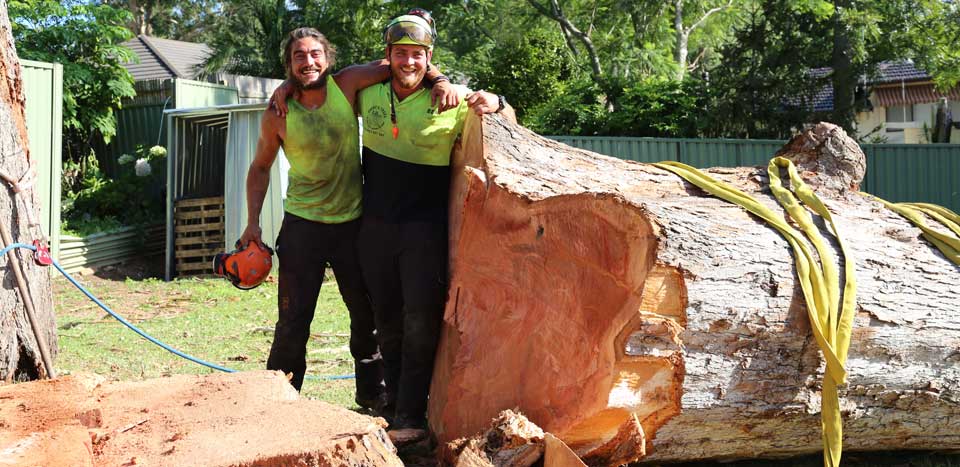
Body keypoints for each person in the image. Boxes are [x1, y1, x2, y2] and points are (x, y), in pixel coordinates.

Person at [240, 27, 457, 410]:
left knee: (367, 319)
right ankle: (277, 404)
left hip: (353, 225)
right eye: (299, 57)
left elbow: (405, 62)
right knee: (293, 322)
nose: (308, 62)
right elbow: (259, 169)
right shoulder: (278, 113)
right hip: (303, 226)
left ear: (328, 58)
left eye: (315, 54)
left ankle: (372, 396)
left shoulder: (348, 84)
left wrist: (440, 79)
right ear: (289, 64)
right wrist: (253, 224)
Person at [355, 10, 515, 443]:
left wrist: (498, 102)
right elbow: (319, 91)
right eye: (401, 54)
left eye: (417, 55)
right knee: (386, 321)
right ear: (387, 56)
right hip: (375, 229)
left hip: (423, 232)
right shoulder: (366, 94)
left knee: (421, 321)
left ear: (429, 58)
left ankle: (412, 415)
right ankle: (390, 407)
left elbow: (510, 125)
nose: (409, 63)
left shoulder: (452, 100)